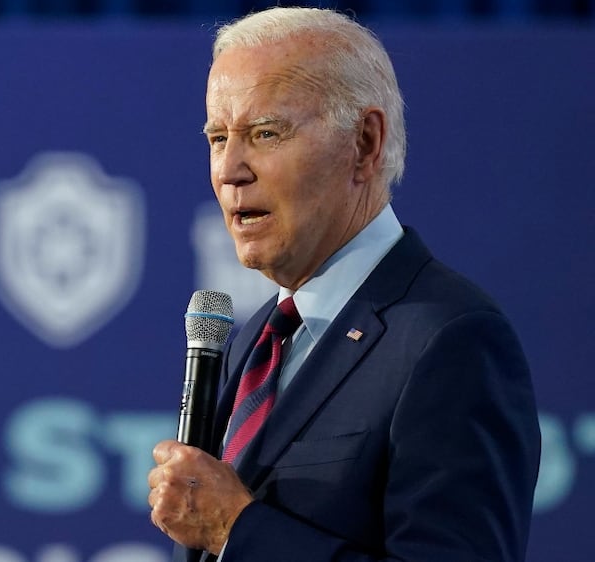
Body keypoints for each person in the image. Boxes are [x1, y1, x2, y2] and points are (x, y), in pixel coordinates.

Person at [146, 7, 541, 562]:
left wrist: (237, 532)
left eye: (264, 133)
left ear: (364, 143)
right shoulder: (256, 339)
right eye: (217, 137)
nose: (230, 169)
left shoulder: (449, 340)